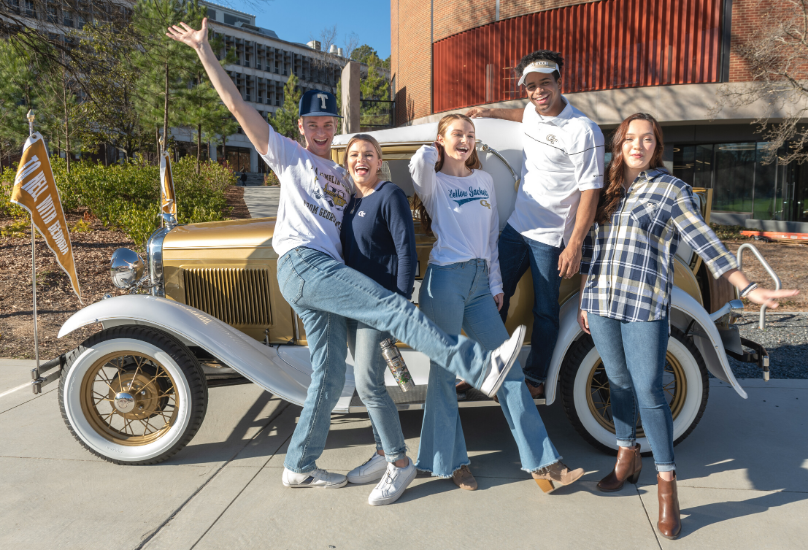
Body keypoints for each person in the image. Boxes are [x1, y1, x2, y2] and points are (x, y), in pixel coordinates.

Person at [167, 19, 525, 493]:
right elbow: (238, 108)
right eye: (312, 123)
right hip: (304, 265)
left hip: (326, 278)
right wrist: (204, 52)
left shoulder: (344, 180)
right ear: (300, 127)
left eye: (327, 124)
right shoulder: (289, 156)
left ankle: (300, 463)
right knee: (396, 309)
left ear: (337, 128)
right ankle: (478, 367)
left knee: (330, 376)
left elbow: (372, 229)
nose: (320, 130)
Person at [577, 112, 799, 540]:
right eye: (629, 139)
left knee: (649, 392)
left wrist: (747, 285)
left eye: (647, 139)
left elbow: (705, 241)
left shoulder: (671, 189)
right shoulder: (607, 190)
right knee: (618, 383)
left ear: (656, 146)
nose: (637, 146)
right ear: (618, 145)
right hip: (601, 302)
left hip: (644, 304)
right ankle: (626, 457)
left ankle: (666, 486)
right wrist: (586, 296)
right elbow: (590, 247)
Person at [409, 113, 584, 493]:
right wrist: (435, 141)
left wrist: (494, 282)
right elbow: (418, 163)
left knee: (508, 370)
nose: (466, 140)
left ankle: (543, 464)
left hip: (478, 284)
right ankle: (453, 464)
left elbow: (490, 238)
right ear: (441, 140)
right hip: (445, 282)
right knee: (442, 376)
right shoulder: (433, 182)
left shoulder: (484, 180)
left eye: (470, 135)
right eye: (457, 134)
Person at [467, 50, 604, 400]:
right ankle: (483, 367)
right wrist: (490, 112)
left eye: (545, 83)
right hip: (517, 227)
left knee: (545, 311)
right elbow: (521, 113)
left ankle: (537, 375)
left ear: (560, 82)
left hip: (551, 237)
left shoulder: (583, 130)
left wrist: (574, 244)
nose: (538, 91)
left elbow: (591, 191)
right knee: (489, 295)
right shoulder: (530, 110)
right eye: (530, 86)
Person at [339, 133, 418, 505]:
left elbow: (406, 250)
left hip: (380, 305)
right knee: (369, 382)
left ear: (379, 159)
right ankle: (383, 453)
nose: (361, 160)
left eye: (368, 154)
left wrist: (401, 302)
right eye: (354, 155)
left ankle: (400, 461)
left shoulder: (390, 195)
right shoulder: (351, 202)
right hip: (353, 305)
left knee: (368, 384)